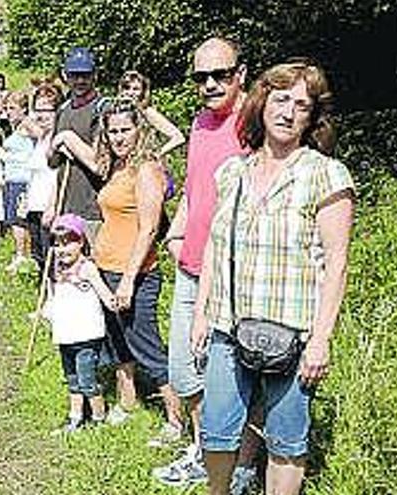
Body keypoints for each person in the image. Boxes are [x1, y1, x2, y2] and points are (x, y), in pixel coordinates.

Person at [190, 60, 354, 495]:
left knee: (286, 441)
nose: (288, 112)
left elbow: (337, 262)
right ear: (262, 103)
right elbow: (213, 247)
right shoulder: (233, 172)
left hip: (294, 331)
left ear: (311, 117)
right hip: (228, 325)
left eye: (301, 105)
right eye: (281, 99)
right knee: (217, 432)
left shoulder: (326, 174)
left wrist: (320, 339)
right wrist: (202, 314)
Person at [153, 37, 257, 488]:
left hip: (234, 276)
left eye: (220, 73)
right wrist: (176, 236)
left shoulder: (255, 123)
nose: (210, 84)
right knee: (183, 369)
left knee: (236, 378)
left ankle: (243, 465)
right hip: (190, 267)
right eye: (201, 77)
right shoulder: (198, 123)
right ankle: (206, 450)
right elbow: (197, 192)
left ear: (242, 72)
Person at [58, 100, 183, 435]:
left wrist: (128, 280)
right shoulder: (116, 167)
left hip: (136, 274)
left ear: (139, 129)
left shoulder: (147, 169)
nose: (118, 137)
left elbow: (149, 228)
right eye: (112, 131)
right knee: (117, 345)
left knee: (147, 347)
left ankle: (177, 419)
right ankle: (127, 401)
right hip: (105, 268)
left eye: (125, 129)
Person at [45, 213, 117, 433]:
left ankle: (98, 418)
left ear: (81, 242)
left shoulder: (87, 268)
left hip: (86, 335)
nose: (62, 249)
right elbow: (52, 297)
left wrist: (114, 302)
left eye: (68, 243)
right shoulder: (55, 269)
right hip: (65, 334)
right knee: (72, 379)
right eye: (57, 244)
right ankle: (75, 417)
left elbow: (104, 293)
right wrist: (46, 312)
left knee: (87, 379)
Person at [48, 47, 111, 239]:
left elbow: (100, 165)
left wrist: (67, 138)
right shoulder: (63, 109)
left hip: (93, 209)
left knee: (91, 267)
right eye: (74, 75)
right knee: (66, 266)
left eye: (85, 75)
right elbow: (52, 163)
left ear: (95, 76)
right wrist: (52, 204)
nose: (80, 81)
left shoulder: (102, 110)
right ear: (65, 76)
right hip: (65, 206)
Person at [25, 82, 63, 272]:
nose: (41, 114)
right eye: (37, 109)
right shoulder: (41, 138)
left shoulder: (59, 140)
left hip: (49, 209)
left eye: (47, 109)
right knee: (39, 257)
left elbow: (59, 175)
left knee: (52, 260)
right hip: (34, 207)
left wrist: (52, 206)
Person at [1, 91, 36, 271]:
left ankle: (23, 255)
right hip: (12, 178)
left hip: (22, 179)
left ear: (23, 108)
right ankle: (20, 254)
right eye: (6, 108)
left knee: (19, 220)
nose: (8, 112)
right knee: (14, 220)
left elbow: (42, 136)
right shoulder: (16, 127)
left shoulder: (27, 124)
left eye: (12, 108)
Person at [118, 70, 186, 159]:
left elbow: (178, 138)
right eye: (127, 87)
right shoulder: (115, 111)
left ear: (142, 92)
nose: (130, 93)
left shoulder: (146, 111)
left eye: (136, 89)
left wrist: (156, 155)